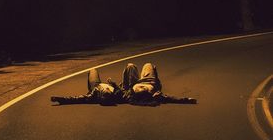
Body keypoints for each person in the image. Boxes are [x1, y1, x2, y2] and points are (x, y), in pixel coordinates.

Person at [51, 62, 197, 106]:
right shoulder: (152, 92)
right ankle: (155, 76)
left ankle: (94, 73)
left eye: (106, 92)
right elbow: (170, 98)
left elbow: (75, 99)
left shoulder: (94, 94)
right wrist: (187, 100)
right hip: (150, 80)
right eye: (109, 92)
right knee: (146, 65)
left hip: (97, 84)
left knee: (93, 70)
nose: (108, 91)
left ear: (102, 95)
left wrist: (60, 99)